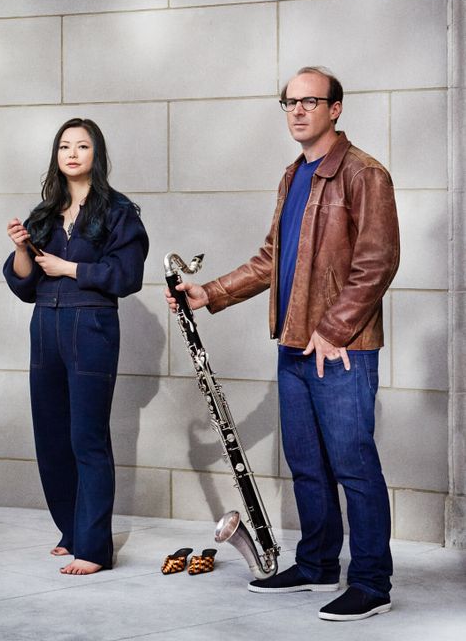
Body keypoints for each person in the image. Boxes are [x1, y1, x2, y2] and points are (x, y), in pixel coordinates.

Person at [167, 67, 398, 621]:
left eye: (309, 101)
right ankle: (317, 565)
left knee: (354, 466)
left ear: (335, 108)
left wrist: (333, 328)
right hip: (294, 345)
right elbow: (272, 258)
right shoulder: (294, 175)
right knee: (307, 464)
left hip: (342, 348)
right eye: (289, 102)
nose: (297, 110)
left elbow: (378, 261)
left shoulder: (364, 173)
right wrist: (210, 293)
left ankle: (372, 583)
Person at [3, 117, 149, 576]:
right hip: (45, 326)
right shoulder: (45, 213)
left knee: (87, 437)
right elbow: (24, 283)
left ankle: (94, 548)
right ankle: (71, 530)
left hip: (92, 328)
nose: (72, 153)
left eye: (82, 146)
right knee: (51, 437)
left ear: (96, 154)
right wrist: (21, 248)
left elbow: (127, 275)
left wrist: (71, 269)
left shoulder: (118, 211)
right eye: (64, 146)